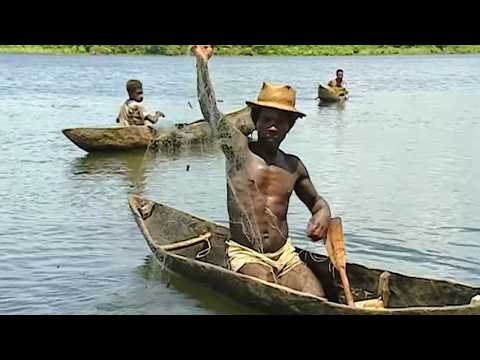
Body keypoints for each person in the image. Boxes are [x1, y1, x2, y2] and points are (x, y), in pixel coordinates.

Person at [191, 45, 331, 298]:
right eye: (267, 119)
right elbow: (209, 109)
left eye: (281, 122)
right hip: (246, 254)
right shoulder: (238, 151)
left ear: (289, 127)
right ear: (256, 120)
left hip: (285, 255)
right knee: (269, 288)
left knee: (316, 297)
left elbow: (317, 203)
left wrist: (323, 214)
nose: (273, 127)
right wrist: (202, 64)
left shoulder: (293, 166)